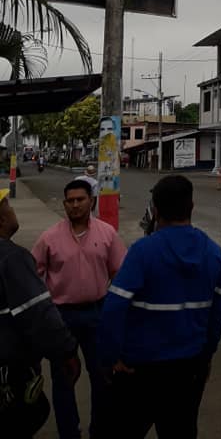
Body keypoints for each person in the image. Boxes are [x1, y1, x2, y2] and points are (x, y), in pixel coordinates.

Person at [98, 175, 221, 439]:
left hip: (140, 371)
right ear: (191, 207)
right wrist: (206, 357)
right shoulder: (214, 254)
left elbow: (113, 308)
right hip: (188, 370)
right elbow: (218, 316)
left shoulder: (142, 252)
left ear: (155, 210)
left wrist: (111, 357)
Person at [32, 179, 126, 439]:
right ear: (64, 204)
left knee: (102, 377)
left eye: (80, 199)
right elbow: (33, 274)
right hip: (61, 318)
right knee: (63, 379)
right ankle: (69, 432)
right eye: (70, 201)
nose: (75, 205)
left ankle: (100, 431)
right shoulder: (49, 238)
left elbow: (120, 273)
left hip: (98, 314)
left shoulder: (107, 234)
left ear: (91, 201)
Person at [0, 188, 80, 438]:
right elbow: (39, 314)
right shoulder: (12, 258)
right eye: (8, 205)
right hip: (10, 370)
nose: (12, 210)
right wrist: (67, 351)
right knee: (30, 415)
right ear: (1, 219)